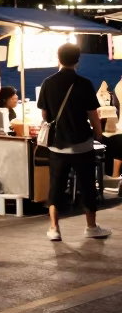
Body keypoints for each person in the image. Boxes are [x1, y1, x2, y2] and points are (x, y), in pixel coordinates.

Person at [37, 44, 110, 241]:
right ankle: (91, 227)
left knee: (56, 186)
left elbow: (45, 115)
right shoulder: (84, 83)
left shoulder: (47, 83)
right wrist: (99, 134)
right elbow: (93, 114)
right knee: (87, 185)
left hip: (57, 144)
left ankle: (54, 229)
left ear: (58, 57)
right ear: (78, 60)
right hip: (82, 144)